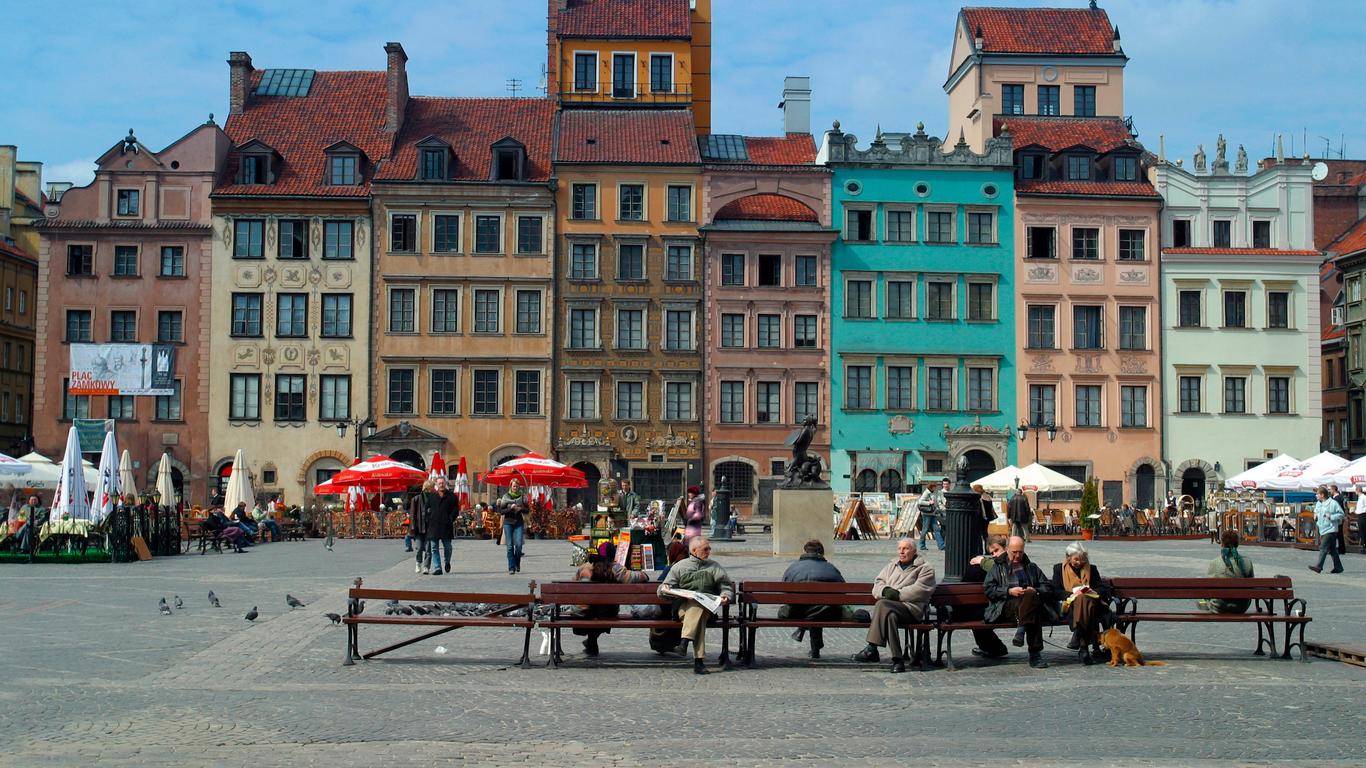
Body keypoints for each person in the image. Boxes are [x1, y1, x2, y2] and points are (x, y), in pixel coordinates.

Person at [852, 538, 936, 673]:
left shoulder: (925, 568)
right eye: (899, 549)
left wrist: (897, 595)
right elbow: (878, 584)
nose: (901, 552)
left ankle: (872, 647)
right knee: (889, 616)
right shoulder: (891, 566)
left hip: (911, 609)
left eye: (906, 549)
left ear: (914, 551)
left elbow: (921, 590)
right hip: (891, 608)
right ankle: (898, 660)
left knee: (882, 604)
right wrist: (885, 591)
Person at [658, 536, 733, 674]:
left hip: (707, 608)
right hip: (682, 609)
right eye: (705, 549)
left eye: (709, 548)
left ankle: (685, 641)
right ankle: (698, 662)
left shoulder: (714, 567)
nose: (709, 551)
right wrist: (668, 590)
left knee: (699, 606)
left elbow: (726, 585)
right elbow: (662, 589)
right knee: (696, 603)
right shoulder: (680, 567)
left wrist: (725, 595)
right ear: (694, 550)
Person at [984, 536, 1059, 669]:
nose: (1018, 555)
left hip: (1029, 606)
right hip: (1006, 606)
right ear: (1007, 549)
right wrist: (1009, 591)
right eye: (1014, 552)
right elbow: (989, 589)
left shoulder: (1031, 567)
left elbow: (1047, 587)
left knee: (1030, 597)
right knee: (1032, 607)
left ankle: (1021, 629)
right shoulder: (997, 567)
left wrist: (1035, 590)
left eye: (1021, 552)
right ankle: (1035, 654)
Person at [573, 542, 650, 656]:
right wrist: (645, 575)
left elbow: (575, 586)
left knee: (592, 607)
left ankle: (591, 640)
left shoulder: (585, 568)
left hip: (585, 612)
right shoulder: (616, 569)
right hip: (609, 612)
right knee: (602, 609)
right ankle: (592, 640)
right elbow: (636, 577)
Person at [780, 539, 848, 659]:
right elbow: (843, 591)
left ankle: (805, 631)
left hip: (798, 612)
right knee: (820, 608)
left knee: (811, 608)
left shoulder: (793, 568)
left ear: (805, 551)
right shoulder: (831, 568)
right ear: (821, 553)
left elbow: (784, 592)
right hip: (825, 612)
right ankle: (815, 648)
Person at [1050, 542, 1111, 665]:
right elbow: (1055, 591)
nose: (1080, 562)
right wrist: (1072, 595)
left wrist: (1092, 591)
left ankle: (1080, 638)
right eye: (1076, 559)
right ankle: (1083, 648)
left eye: (1082, 559)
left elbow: (1102, 588)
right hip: (1070, 606)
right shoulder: (1059, 569)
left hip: (1093, 606)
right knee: (1081, 600)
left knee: (1084, 599)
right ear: (1068, 557)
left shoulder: (1092, 569)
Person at [962, 535, 1011, 660]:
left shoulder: (1012, 560)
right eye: (992, 552)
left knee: (972, 614)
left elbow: (1003, 568)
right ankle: (994, 647)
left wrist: (982, 561)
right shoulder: (994, 563)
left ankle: (994, 647)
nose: (994, 555)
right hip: (995, 605)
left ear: (1006, 548)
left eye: (997, 550)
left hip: (1007, 606)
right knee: (974, 613)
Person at [1199, 529, 1255, 613]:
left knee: (1202, 602)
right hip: (1241, 606)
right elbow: (1251, 584)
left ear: (1222, 544)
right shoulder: (1247, 561)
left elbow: (1208, 588)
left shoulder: (1215, 562)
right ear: (1237, 544)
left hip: (1221, 605)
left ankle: (1211, 605)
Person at [423, 476, 457, 575]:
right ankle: (438, 568)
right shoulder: (432, 496)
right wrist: (429, 518)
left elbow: (455, 510)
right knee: (434, 548)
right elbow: (426, 508)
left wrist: (450, 519)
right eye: (439, 483)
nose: (441, 485)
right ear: (437, 484)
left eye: (443, 483)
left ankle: (447, 562)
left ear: (445, 483)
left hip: (446, 526)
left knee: (448, 547)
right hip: (433, 526)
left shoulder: (451, 496)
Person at [1308, 486, 1345, 574]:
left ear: (1322, 495)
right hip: (1322, 528)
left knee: (1323, 547)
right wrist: (1315, 515)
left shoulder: (1333, 503)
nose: (1316, 496)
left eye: (1317, 494)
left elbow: (1342, 514)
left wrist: (1331, 516)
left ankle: (1319, 566)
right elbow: (1316, 511)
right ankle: (1338, 567)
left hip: (1331, 529)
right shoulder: (1318, 503)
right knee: (1332, 550)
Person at [497, 478, 529, 575]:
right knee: (510, 546)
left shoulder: (523, 497)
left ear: (519, 487)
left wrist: (520, 509)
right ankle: (511, 567)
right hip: (508, 523)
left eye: (517, 486)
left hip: (519, 522)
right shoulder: (506, 497)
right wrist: (510, 508)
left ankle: (517, 562)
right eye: (514, 486)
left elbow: (527, 510)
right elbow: (501, 511)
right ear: (511, 486)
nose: (515, 487)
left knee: (519, 545)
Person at [917, 479, 946, 551]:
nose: (935, 488)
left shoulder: (935, 492)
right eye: (934, 486)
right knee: (925, 529)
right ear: (931, 487)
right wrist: (929, 502)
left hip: (933, 513)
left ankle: (941, 546)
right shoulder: (926, 492)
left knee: (936, 529)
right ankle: (922, 545)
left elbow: (937, 501)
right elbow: (920, 501)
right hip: (926, 514)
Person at [408, 482, 431, 572]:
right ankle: (418, 563)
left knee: (428, 549)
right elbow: (412, 514)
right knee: (419, 548)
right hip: (418, 527)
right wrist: (413, 528)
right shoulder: (416, 499)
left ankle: (426, 566)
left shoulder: (433, 498)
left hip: (429, 528)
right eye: (431, 488)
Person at [972, 483, 994, 552]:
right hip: (986, 519)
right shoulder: (987, 496)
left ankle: (980, 550)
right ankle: (987, 550)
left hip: (979, 518)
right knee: (985, 535)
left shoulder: (978, 497)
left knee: (978, 535)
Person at [1329, 484, 1348, 555]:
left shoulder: (1337, 498)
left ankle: (1337, 549)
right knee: (1339, 534)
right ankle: (1341, 549)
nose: (1330, 491)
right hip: (1338, 517)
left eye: (1330, 490)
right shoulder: (1339, 497)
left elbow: (1338, 509)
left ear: (1333, 490)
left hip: (1337, 517)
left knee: (1336, 533)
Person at [1356, 485, 1366, 556]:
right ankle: (1363, 546)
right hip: (1360, 515)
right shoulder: (1360, 498)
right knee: (1361, 531)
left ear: (1358, 490)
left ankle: (1364, 546)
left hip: (1363, 515)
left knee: (1364, 531)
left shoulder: (1363, 497)